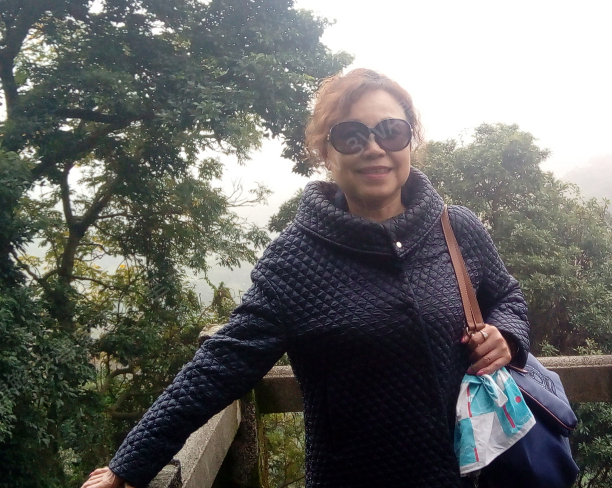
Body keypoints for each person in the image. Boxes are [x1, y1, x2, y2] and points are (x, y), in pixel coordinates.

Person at [82, 69, 530, 488]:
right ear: (326, 153)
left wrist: (507, 335)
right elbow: (221, 364)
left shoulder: (456, 228)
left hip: (476, 476)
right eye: (351, 136)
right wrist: (129, 466)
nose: (374, 148)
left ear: (410, 141)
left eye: (391, 131)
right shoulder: (296, 260)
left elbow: (506, 295)